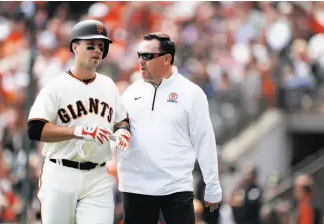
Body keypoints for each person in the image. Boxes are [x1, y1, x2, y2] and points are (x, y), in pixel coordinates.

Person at [26, 20, 130, 224]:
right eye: (90, 46)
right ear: (74, 47)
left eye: (101, 46)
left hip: (98, 177)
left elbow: (121, 120)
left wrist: (123, 131)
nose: (97, 51)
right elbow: (35, 128)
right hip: (61, 173)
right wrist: (77, 131)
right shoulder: (56, 87)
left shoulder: (108, 86)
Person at [117, 32, 222, 224]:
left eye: (147, 56)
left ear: (167, 59)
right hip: (136, 187)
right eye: (139, 55)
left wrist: (212, 186)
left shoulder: (191, 93)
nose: (141, 61)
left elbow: (204, 141)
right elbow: (117, 127)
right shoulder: (131, 93)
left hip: (176, 188)